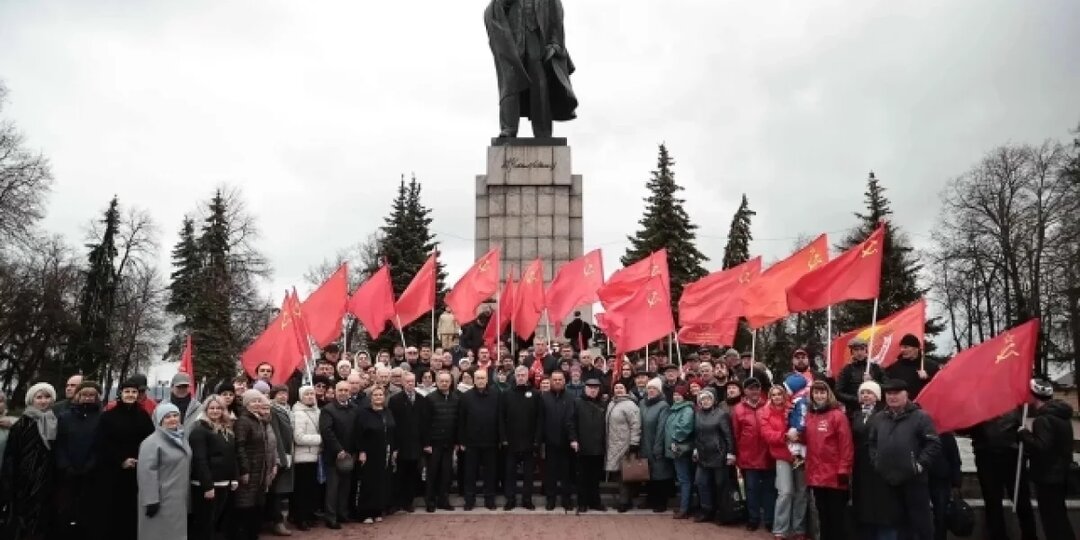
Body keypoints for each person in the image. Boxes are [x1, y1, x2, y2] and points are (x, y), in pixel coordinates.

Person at [869, 379, 941, 540]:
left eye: (896, 393)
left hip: (914, 480)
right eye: (889, 393)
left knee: (922, 526)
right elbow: (872, 443)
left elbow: (933, 443)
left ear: (906, 394)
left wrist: (919, 465)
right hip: (889, 479)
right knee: (898, 525)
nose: (892, 397)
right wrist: (877, 462)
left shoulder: (921, 417)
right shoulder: (879, 418)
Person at [965, 408, 1037, 540]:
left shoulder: (978, 408)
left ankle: (1003, 535)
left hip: (991, 456)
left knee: (995, 502)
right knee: (1018, 501)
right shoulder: (1011, 407)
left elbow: (966, 429)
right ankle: (1028, 535)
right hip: (1006, 456)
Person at [1018, 378, 1076, 539]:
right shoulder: (1061, 417)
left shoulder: (1043, 420)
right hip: (1061, 475)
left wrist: (1024, 434)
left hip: (1047, 478)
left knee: (1051, 521)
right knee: (1060, 517)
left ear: (1033, 396)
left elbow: (1041, 447)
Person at [98, 377, 155, 540]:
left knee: (133, 511)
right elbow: (103, 442)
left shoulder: (143, 415)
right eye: (127, 391)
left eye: (134, 392)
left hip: (138, 470)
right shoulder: (108, 416)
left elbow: (150, 440)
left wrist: (141, 460)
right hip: (114, 471)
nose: (130, 395)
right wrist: (121, 460)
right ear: (120, 394)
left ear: (138, 394)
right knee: (114, 510)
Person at [1, 383, 57, 540]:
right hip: (24, 481)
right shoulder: (21, 425)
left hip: (47, 480)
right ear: (32, 400)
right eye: (39, 397)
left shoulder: (54, 421)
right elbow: (11, 456)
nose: (43, 401)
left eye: (47, 397)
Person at [803, 380, 853, 540]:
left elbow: (846, 445)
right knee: (822, 514)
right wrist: (795, 435)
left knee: (836, 516)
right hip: (816, 475)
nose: (819, 396)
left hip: (834, 475)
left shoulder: (837, 415)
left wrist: (844, 469)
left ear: (828, 394)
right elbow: (809, 440)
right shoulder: (810, 415)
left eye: (822, 392)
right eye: (816, 393)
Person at [850, 380, 899, 538]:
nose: (865, 395)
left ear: (877, 396)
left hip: (878, 463)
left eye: (869, 393)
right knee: (863, 503)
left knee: (880, 502)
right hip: (860, 463)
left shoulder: (884, 414)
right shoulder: (856, 414)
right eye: (863, 393)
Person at [54, 381, 103, 536]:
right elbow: (59, 443)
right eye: (84, 395)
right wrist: (65, 465)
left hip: (91, 472)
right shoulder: (64, 417)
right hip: (68, 472)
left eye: (91, 395)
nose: (88, 398)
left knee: (88, 511)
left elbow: (101, 444)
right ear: (78, 396)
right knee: (66, 510)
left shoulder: (102, 418)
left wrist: (91, 464)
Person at [760, 384, 808, 540]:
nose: (776, 397)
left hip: (800, 454)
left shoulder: (794, 407)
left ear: (784, 395)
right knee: (785, 492)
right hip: (781, 455)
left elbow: (804, 425)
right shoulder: (766, 413)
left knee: (801, 492)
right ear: (770, 397)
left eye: (779, 394)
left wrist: (799, 436)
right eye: (773, 395)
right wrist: (786, 436)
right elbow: (767, 435)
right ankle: (780, 529)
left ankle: (798, 528)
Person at [137, 403, 192, 540]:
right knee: (158, 534)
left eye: (175, 415)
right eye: (167, 417)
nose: (172, 419)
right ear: (160, 420)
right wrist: (151, 500)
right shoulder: (151, 442)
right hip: (160, 500)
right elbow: (146, 473)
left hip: (178, 498)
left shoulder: (181, 438)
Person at [188, 394, 239, 540]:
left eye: (219, 408)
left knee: (214, 521)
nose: (215, 411)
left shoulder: (226, 430)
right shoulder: (199, 431)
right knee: (205, 523)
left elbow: (232, 455)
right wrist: (207, 486)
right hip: (206, 486)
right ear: (206, 410)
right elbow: (200, 460)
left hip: (223, 483)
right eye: (212, 408)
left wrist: (234, 477)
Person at [732, 377, 775, 531]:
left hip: (768, 456)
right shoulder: (738, 409)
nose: (754, 391)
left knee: (769, 490)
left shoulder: (769, 406)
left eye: (756, 388)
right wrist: (737, 454)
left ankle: (769, 520)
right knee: (751, 490)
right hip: (748, 456)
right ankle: (753, 518)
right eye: (750, 388)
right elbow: (736, 434)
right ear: (745, 391)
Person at [233, 390, 276, 540]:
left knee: (255, 504)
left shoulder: (258, 419)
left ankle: (252, 534)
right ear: (246, 404)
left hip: (259, 470)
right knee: (245, 505)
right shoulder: (243, 421)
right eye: (253, 401)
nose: (257, 404)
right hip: (249, 470)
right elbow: (240, 446)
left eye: (259, 401)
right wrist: (244, 469)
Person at [501, 365, 543, 510]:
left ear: (527, 376)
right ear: (514, 376)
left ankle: (527, 499)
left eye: (523, 375)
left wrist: (537, 439)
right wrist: (503, 438)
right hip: (511, 441)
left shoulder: (536, 394)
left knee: (528, 474)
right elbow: (501, 418)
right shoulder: (506, 394)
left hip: (529, 441)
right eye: (518, 374)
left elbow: (539, 419)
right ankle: (510, 499)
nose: (520, 377)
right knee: (510, 473)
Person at [458, 369, 501, 511]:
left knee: (491, 472)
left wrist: (501, 438)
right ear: (474, 380)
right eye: (478, 378)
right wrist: (462, 441)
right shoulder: (466, 397)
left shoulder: (496, 395)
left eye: (483, 378)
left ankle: (490, 499)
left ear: (487, 379)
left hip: (491, 441)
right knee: (470, 473)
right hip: (471, 442)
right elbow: (461, 421)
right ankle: (469, 500)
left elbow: (500, 419)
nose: (480, 380)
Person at [319, 381, 359, 529]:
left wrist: (355, 451)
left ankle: (342, 514)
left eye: (346, 390)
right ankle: (331, 517)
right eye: (340, 390)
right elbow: (327, 432)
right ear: (335, 391)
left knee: (345, 487)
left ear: (350, 392)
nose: (343, 392)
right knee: (333, 488)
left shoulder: (355, 408)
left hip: (350, 455)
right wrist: (338, 450)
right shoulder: (328, 410)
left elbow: (357, 431)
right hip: (334, 456)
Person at [692, 388, 736, 523]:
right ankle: (707, 510)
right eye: (702, 399)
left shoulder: (721, 414)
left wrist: (730, 453)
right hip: (703, 454)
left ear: (713, 400)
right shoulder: (697, 414)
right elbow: (696, 434)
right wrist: (695, 449)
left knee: (720, 485)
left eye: (708, 399)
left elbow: (728, 435)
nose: (705, 401)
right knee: (701, 482)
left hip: (719, 455)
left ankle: (723, 513)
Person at [388, 372, 429, 513]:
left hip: (416, 444)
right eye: (408, 381)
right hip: (401, 444)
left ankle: (408, 502)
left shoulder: (422, 400)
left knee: (412, 474)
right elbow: (392, 424)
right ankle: (396, 502)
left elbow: (425, 424)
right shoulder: (395, 400)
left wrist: (425, 443)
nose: (410, 384)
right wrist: (394, 446)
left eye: (413, 381)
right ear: (403, 383)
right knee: (398, 474)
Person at [355, 386, 396, 523]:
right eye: (376, 395)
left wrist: (394, 450)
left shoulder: (388, 412)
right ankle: (365, 513)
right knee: (369, 482)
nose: (378, 397)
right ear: (371, 397)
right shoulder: (364, 413)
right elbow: (359, 434)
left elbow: (392, 431)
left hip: (385, 452)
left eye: (381, 395)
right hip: (369, 452)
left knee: (381, 482)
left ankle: (377, 510)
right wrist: (361, 451)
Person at [540, 370, 578, 510]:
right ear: (550, 381)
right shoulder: (544, 397)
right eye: (554, 380)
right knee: (551, 474)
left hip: (566, 442)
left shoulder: (571, 397)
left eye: (559, 379)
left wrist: (573, 438)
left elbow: (573, 419)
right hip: (549, 442)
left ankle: (566, 500)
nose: (557, 382)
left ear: (564, 381)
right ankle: (551, 499)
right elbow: (540, 420)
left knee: (566, 473)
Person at [423, 371, 460, 512]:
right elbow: (424, 423)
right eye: (441, 381)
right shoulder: (430, 399)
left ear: (451, 382)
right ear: (436, 382)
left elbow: (457, 421)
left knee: (446, 473)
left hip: (449, 443)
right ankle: (430, 501)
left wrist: (457, 441)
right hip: (434, 443)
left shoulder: (456, 398)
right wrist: (426, 443)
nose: (444, 383)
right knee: (432, 473)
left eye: (447, 381)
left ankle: (443, 501)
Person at [605, 382, 642, 513]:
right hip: (613, 443)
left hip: (625, 444)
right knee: (618, 474)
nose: (618, 390)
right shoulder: (612, 403)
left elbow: (635, 425)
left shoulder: (630, 405)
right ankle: (626, 499)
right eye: (616, 388)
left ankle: (624, 502)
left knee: (624, 474)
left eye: (621, 387)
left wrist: (634, 443)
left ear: (626, 390)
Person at [290, 385, 321, 530]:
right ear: (301, 397)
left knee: (311, 489)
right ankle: (300, 518)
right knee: (301, 490)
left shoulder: (317, 410)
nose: (310, 396)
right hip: (303, 457)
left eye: (312, 394)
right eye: (307, 394)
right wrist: (321, 439)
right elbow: (299, 437)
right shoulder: (298, 413)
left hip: (315, 456)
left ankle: (308, 515)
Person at [639, 377, 673, 513]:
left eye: (654, 389)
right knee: (648, 474)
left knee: (660, 474)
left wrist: (658, 446)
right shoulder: (642, 403)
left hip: (656, 443)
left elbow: (661, 428)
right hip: (644, 443)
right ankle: (650, 500)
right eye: (649, 388)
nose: (651, 391)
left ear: (659, 391)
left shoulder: (663, 405)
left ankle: (661, 502)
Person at [574, 378, 607, 513]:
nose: (593, 390)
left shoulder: (604, 404)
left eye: (595, 388)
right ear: (585, 388)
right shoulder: (577, 402)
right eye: (590, 387)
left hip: (598, 447)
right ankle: (582, 503)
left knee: (595, 478)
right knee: (582, 477)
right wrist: (573, 439)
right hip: (582, 446)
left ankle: (595, 502)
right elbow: (571, 422)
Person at [663, 383, 695, 518]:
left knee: (684, 479)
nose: (676, 397)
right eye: (675, 394)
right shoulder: (675, 409)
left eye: (679, 395)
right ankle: (685, 505)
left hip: (680, 449)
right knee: (683, 478)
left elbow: (684, 428)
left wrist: (675, 439)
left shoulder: (687, 410)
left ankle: (684, 508)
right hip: (674, 449)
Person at [835, 338, 885, 416]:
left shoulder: (876, 368)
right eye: (856, 350)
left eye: (862, 349)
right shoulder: (847, 370)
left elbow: (886, 387)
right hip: (855, 411)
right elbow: (838, 392)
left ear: (866, 351)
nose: (859, 352)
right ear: (852, 352)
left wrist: (872, 381)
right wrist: (856, 399)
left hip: (876, 411)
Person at [884, 334, 938, 399]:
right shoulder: (894, 367)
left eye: (906, 347)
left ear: (916, 348)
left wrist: (927, 378)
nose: (902, 350)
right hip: (900, 406)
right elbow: (886, 385)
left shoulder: (931, 366)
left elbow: (938, 387)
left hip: (923, 405)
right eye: (901, 347)